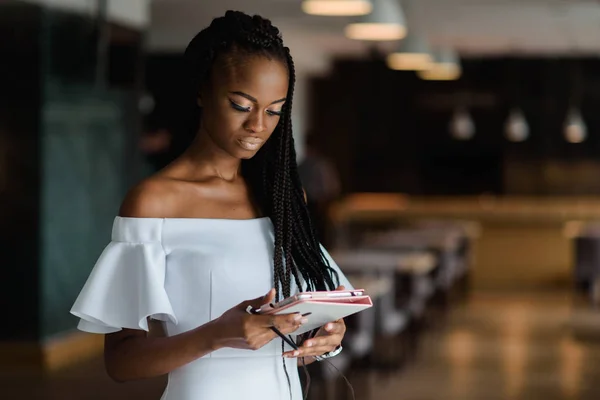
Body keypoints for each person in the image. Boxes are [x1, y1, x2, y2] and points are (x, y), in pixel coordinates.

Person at [70, 10, 353, 400]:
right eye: (241, 105)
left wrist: (326, 335)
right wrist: (216, 334)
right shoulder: (155, 202)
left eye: (274, 111)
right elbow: (121, 361)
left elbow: (306, 313)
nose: (258, 125)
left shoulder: (282, 199)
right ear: (202, 91)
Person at [298, 133, 341, 246]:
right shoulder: (304, 164)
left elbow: (331, 187)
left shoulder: (322, 165)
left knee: (319, 233)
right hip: (308, 203)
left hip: (319, 203)